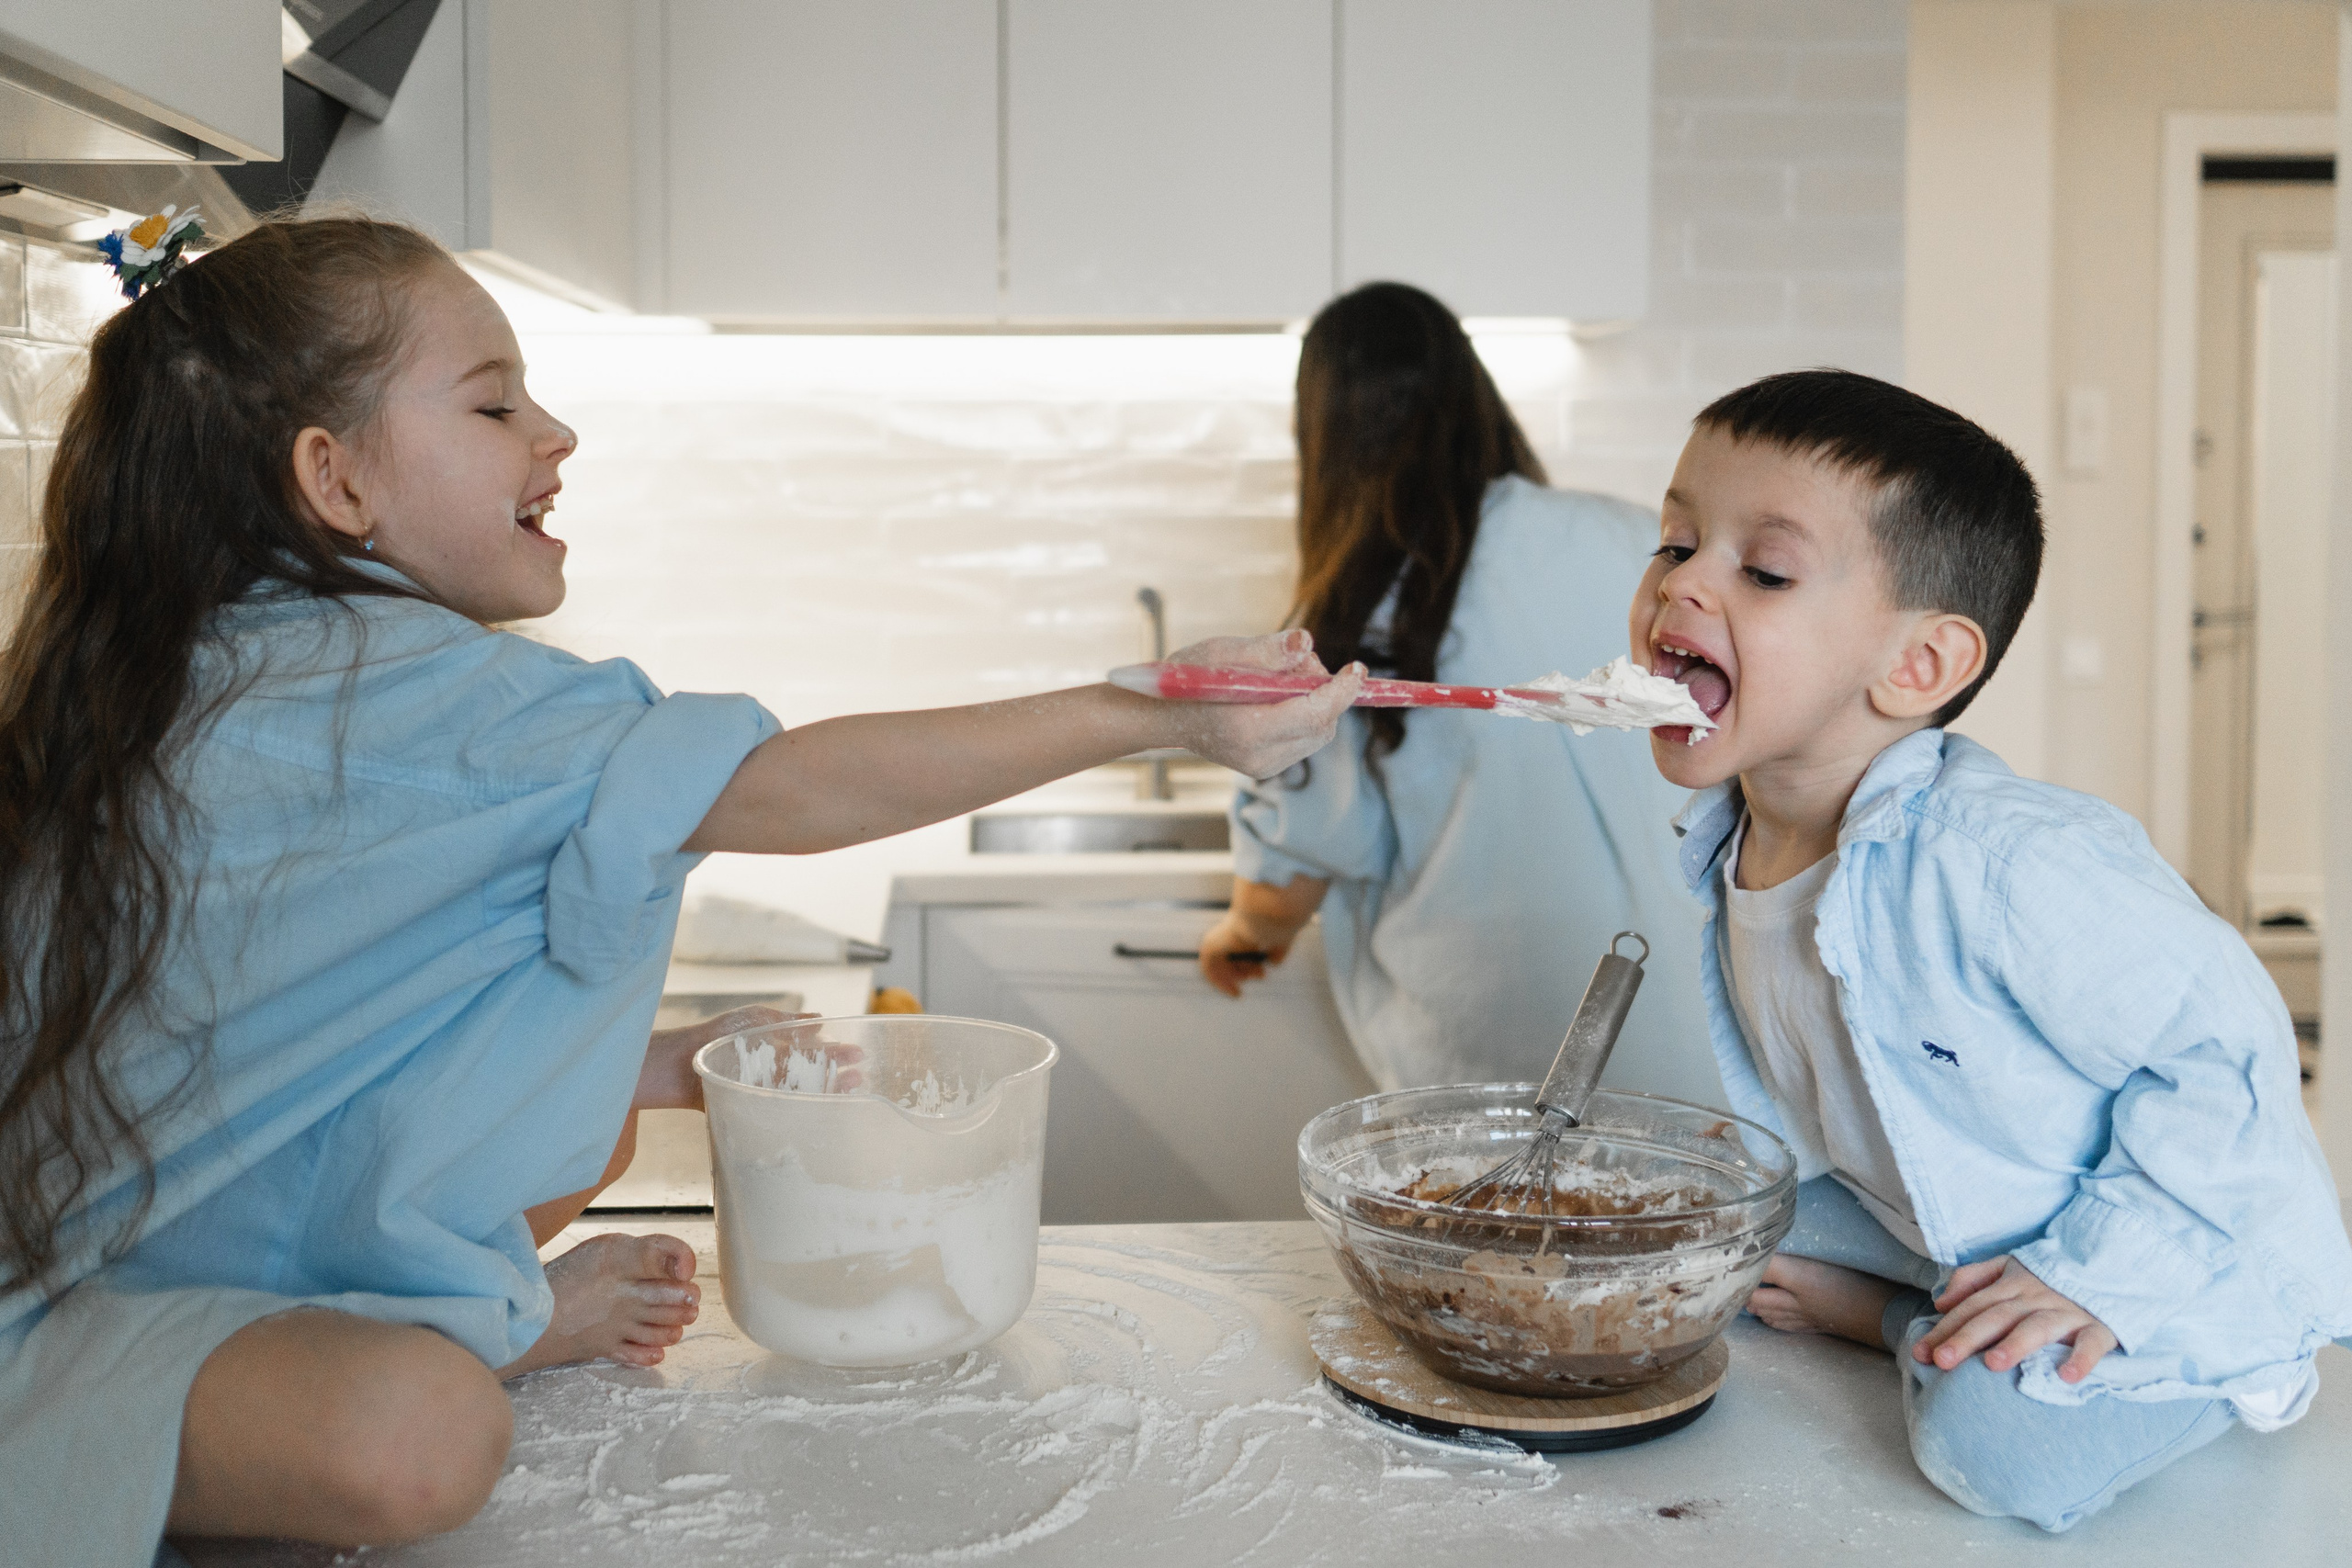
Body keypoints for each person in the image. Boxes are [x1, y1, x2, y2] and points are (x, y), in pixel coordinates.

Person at [0, 216, 1358, 1567]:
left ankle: (500, 1316)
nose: (556, 433)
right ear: (335, 480)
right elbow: (796, 789)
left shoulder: (197, 671)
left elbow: (296, 1051)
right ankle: (506, 1326)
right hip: (66, 1335)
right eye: (493, 402)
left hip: (139, 1276)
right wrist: (1148, 709)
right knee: (429, 1431)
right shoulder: (407, 691)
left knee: (575, 1139)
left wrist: (651, 1062)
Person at [1636, 367, 2352, 1530]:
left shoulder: (2007, 861)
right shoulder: (1736, 837)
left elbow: (2228, 1058)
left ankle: (1906, 1324)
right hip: (1942, 1207)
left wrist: (2092, 1273)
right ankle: (1918, 1296)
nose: (1685, 585)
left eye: (1761, 571)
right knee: (1690, 1240)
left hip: (2157, 1238)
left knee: (1992, 1453)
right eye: (1674, 545)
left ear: (1916, 667)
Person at [1198, 282, 1715, 1104]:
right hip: (1703, 1047)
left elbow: (1288, 877)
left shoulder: (1355, 613)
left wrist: (1244, 935)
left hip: (1493, 1068)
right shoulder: (1634, 545)